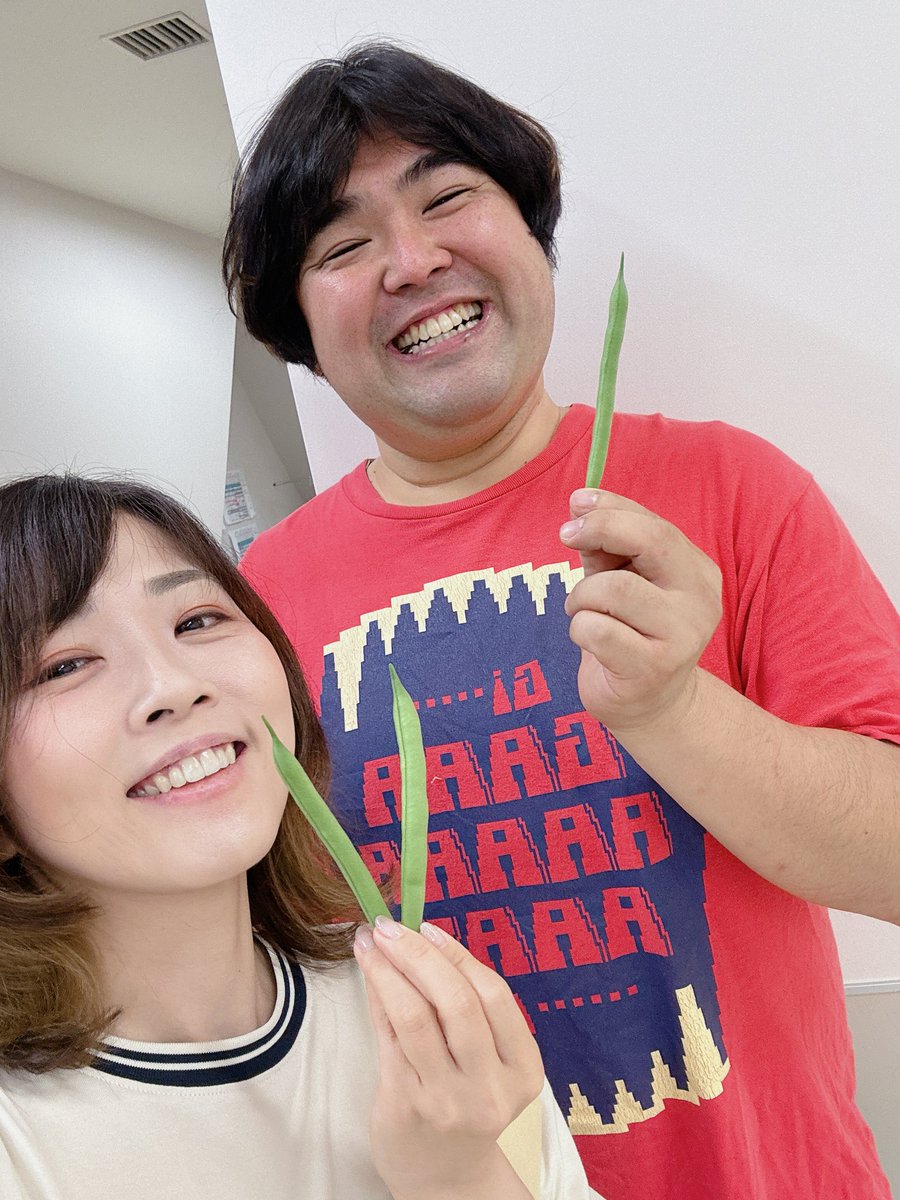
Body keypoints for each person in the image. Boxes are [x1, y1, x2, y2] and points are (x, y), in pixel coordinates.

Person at [222, 40, 900, 1200]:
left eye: (446, 197)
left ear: (531, 231)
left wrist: (673, 707)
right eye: (342, 246)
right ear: (301, 327)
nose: (413, 260)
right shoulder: (252, 608)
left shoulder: (733, 488)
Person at [0, 472, 598, 1200]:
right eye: (64, 665)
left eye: (197, 621)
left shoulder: (421, 1009)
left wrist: (460, 1175)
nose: (174, 685)